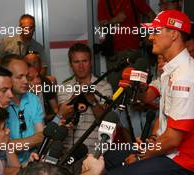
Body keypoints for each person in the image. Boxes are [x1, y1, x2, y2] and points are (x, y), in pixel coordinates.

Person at [103, 10, 194, 175]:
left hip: (181, 160)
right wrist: (136, 87)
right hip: (166, 148)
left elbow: (173, 139)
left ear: (174, 34)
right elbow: (156, 106)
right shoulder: (170, 70)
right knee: (109, 155)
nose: (151, 37)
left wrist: (141, 156)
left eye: (156, 31)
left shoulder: (184, 76)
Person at [57, 43, 113, 152]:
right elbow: (64, 117)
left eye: (84, 61)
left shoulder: (105, 87)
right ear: (70, 64)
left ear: (90, 62)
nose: (81, 66)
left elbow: (106, 121)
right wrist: (77, 95)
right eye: (76, 62)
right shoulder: (63, 87)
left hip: (97, 151)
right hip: (69, 151)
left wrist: (91, 98)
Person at [97, 0, 155, 91]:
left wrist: (148, 36)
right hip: (114, 55)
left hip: (133, 53)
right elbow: (101, 27)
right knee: (115, 90)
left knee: (134, 90)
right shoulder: (103, 2)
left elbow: (152, 15)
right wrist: (115, 19)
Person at [1, 55, 44, 165]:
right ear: (6, 78)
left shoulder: (33, 99)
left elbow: (42, 136)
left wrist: (14, 145)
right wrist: (32, 140)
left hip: (31, 162)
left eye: (26, 76)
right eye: (20, 77)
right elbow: (2, 146)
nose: (25, 81)